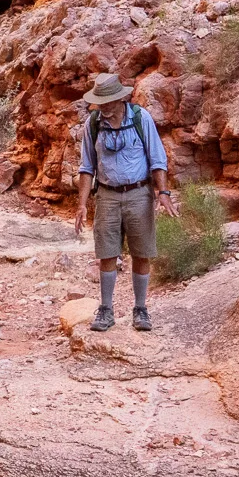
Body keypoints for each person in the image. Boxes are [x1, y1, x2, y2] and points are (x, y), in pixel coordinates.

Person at [72, 72, 170, 331]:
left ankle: (141, 309)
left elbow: (157, 158)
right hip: (106, 195)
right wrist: (81, 204)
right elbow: (87, 167)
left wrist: (163, 193)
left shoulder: (140, 118)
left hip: (139, 193)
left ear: (120, 99)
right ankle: (106, 310)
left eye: (107, 102)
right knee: (107, 253)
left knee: (141, 252)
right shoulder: (93, 124)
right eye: (100, 102)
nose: (103, 107)